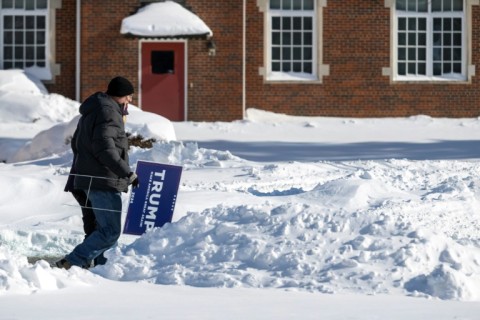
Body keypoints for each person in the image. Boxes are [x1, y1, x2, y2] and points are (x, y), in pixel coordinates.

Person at [56, 76, 139, 270]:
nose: (130, 101)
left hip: (87, 179)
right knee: (110, 231)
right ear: (120, 96)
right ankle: (71, 262)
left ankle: (102, 269)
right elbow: (105, 149)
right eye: (128, 96)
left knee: (97, 229)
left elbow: (78, 144)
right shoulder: (108, 112)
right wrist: (127, 173)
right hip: (102, 180)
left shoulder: (93, 110)